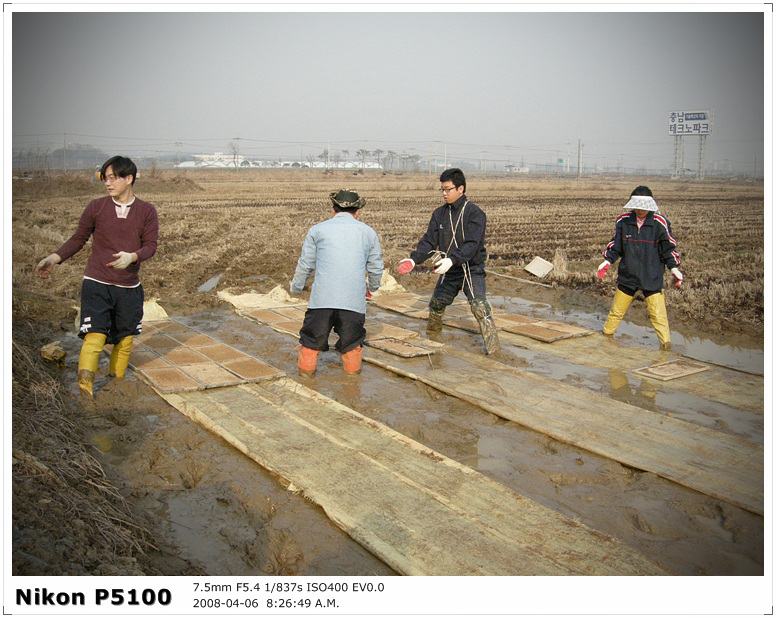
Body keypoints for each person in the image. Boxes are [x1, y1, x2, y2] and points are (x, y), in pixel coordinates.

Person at [35, 156, 159, 397]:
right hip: (96, 283)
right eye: (105, 178)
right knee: (95, 336)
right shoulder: (96, 207)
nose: (108, 183)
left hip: (129, 286)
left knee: (125, 339)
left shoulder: (146, 211)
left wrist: (132, 257)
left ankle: (116, 384)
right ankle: (86, 394)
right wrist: (53, 258)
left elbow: (151, 246)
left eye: (113, 178)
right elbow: (78, 239)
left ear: (129, 178)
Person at [396, 168, 500, 355]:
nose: (444, 193)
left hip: (471, 267)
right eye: (442, 190)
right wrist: (413, 259)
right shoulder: (439, 214)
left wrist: (453, 259)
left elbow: (472, 244)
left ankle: (494, 351)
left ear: (461, 189)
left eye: (448, 189)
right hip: (449, 270)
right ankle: (433, 341)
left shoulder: (475, 213)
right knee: (436, 304)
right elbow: (429, 241)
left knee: (479, 307)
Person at [290, 189, 383, 377]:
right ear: (357, 212)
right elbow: (375, 267)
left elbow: (306, 264)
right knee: (352, 347)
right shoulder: (367, 232)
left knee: (310, 345)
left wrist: (296, 287)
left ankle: (306, 384)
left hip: (321, 302)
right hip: (353, 303)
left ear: (333, 210)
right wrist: (372, 287)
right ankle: (351, 389)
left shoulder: (317, 230)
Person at [597, 185, 682, 350]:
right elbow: (616, 246)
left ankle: (666, 348)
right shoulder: (624, 221)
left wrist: (674, 269)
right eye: (637, 207)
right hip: (628, 275)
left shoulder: (659, 224)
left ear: (650, 207)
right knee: (615, 312)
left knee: (658, 316)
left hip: (651, 276)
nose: (640, 211)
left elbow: (668, 249)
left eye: (644, 208)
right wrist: (607, 261)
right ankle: (605, 342)